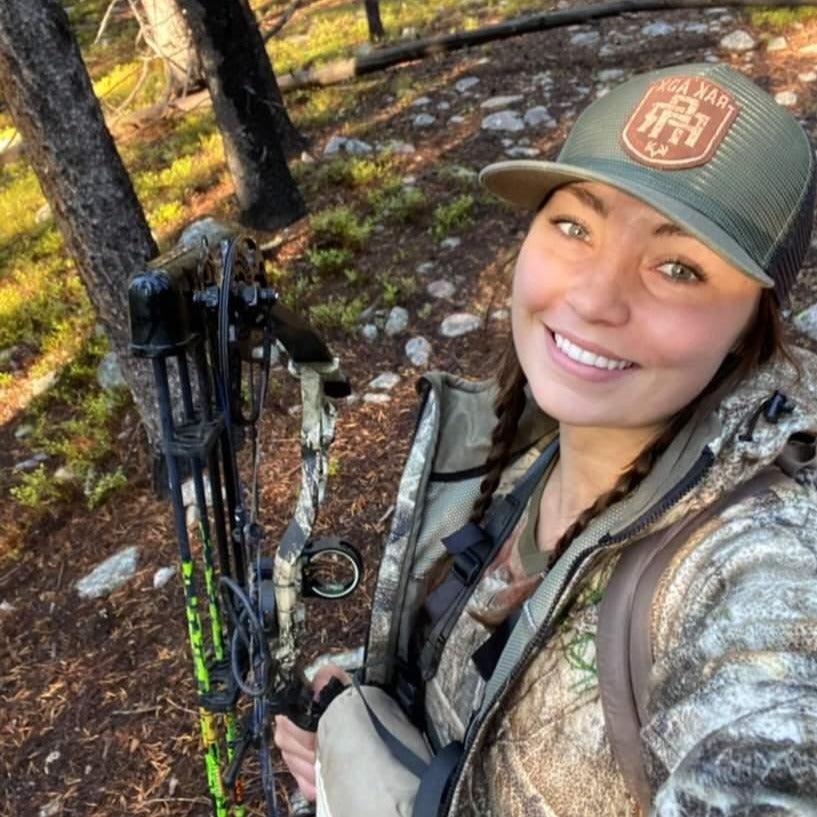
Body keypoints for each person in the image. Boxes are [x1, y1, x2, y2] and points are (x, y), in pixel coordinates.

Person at [275, 61, 817, 815]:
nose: (594, 298)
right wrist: (357, 733)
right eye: (574, 226)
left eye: (677, 267)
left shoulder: (756, 575)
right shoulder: (523, 453)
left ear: (749, 330)